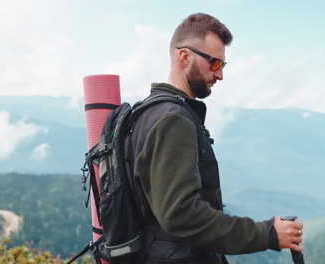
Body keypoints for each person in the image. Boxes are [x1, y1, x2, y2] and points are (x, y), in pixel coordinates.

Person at [127, 13, 304, 264]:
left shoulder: (149, 112)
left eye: (222, 65)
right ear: (184, 57)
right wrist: (267, 234)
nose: (219, 75)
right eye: (214, 63)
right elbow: (182, 215)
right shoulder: (173, 120)